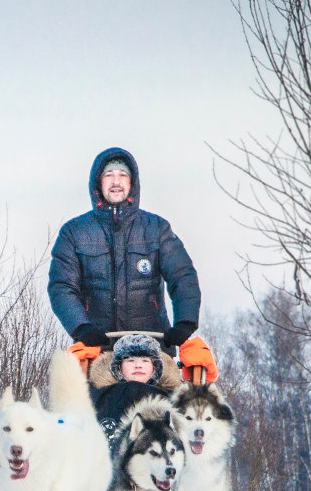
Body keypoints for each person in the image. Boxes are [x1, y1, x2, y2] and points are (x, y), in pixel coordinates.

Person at [48, 147, 201, 353]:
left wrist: (185, 322)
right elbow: (62, 287)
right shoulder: (74, 232)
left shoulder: (157, 228)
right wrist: (81, 327)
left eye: (122, 175)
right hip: (98, 350)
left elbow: (182, 276)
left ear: (132, 183)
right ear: (98, 183)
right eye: (108, 175)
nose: (116, 182)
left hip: (151, 351)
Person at [89, 333, 181, 444]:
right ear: (119, 367)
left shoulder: (173, 397)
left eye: (145, 361)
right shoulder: (100, 395)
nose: (138, 365)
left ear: (155, 367)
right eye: (130, 360)